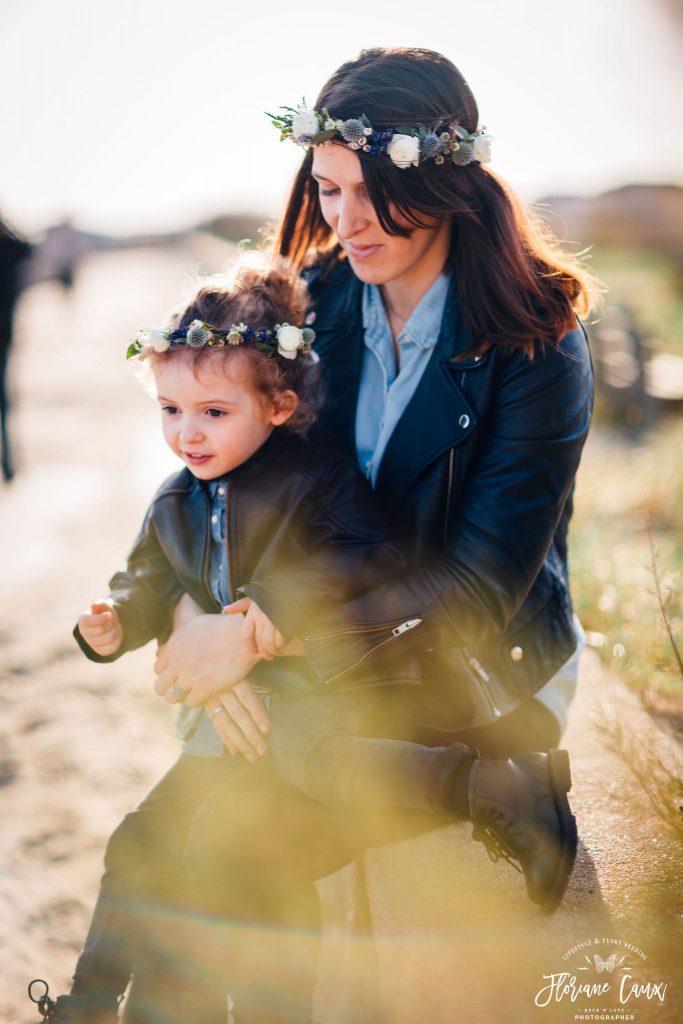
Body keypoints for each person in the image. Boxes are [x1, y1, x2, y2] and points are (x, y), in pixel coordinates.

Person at [30, 247, 577, 1023]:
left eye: (213, 413)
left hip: (327, 685)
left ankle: (493, 787)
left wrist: (264, 618)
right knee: (139, 840)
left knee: (307, 767)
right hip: (238, 714)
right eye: (170, 410)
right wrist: (117, 622)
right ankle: (87, 1004)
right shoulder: (173, 502)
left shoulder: (312, 482)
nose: (188, 434)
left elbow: (368, 560)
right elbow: (149, 580)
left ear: (278, 407)